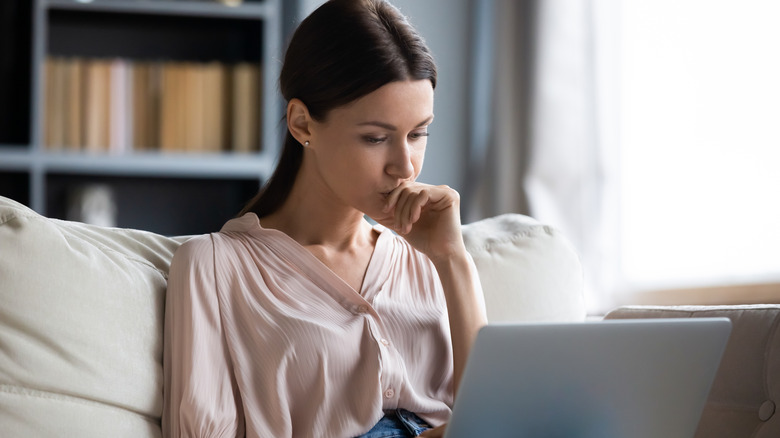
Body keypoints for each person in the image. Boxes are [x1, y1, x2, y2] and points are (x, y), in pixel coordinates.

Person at [162, 0, 487, 436]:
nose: (405, 166)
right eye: (375, 138)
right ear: (303, 124)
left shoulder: (427, 259)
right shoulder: (215, 267)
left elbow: (495, 413)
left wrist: (452, 260)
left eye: (417, 133)